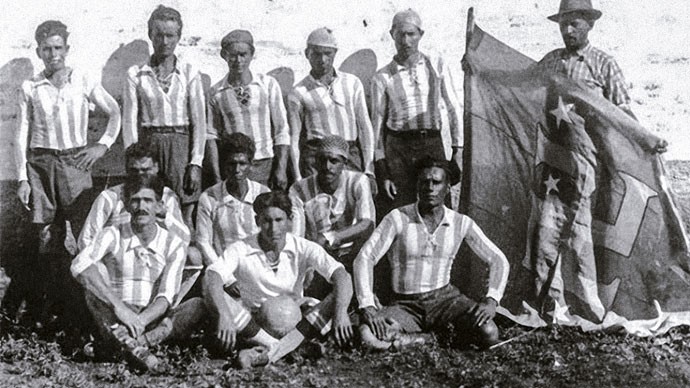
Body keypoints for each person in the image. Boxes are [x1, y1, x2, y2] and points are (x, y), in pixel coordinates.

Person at [9, 20, 121, 326]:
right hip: (41, 166)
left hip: (75, 164)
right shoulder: (30, 87)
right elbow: (20, 135)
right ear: (39, 51)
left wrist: (102, 146)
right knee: (47, 239)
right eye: (47, 48)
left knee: (85, 237)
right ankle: (48, 309)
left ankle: (88, 312)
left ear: (67, 49)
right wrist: (22, 178)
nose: (53, 54)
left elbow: (114, 112)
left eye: (58, 47)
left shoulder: (82, 79)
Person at [353, 157, 509, 349]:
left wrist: (491, 299)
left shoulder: (460, 222)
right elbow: (365, 257)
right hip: (405, 305)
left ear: (448, 187)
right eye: (424, 182)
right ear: (417, 186)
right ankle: (430, 338)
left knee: (489, 332)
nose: (430, 187)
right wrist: (367, 304)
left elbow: (498, 259)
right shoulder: (398, 218)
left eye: (436, 182)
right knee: (367, 335)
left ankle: (419, 339)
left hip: (446, 301)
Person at [202, 191, 353, 368]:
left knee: (338, 293)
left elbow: (341, 274)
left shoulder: (303, 246)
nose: (273, 229)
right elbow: (213, 275)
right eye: (267, 221)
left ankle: (269, 351)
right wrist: (225, 315)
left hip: (294, 320)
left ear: (290, 220)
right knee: (209, 290)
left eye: (279, 220)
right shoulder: (241, 248)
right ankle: (285, 348)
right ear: (258, 221)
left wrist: (341, 313)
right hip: (253, 324)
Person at [71, 175, 205, 370]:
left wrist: (140, 320)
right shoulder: (112, 233)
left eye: (148, 200)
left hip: (151, 320)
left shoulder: (173, 243)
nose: (141, 206)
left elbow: (166, 296)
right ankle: (137, 348)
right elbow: (78, 263)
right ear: (126, 205)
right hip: (115, 317)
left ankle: (133, 345)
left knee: (197, 305)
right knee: (92, 275)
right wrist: (120, 308)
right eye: (135, 200)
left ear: (159, 206)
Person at [122, 5, 206, 229]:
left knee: (185, 209)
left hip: (181, 144)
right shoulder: (136, 74)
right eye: (159, 35)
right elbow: (129, 121)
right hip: (149, 145)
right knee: (149, 205)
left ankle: (186, 261)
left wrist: (195, 163)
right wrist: (133, 160)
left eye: (171, 35)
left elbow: (199, 122)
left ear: (179, 37)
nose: (165, 41)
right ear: (151, 35)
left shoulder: (189, 73)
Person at [371, 9, 462, 213]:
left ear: (421, 35)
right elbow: (376, 129)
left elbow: (453, 107)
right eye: (400, 34)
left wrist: (458, 150)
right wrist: (383, 170)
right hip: (398, 147)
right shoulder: (382, 77)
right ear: (392, 35)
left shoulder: (436, 65)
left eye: (411, 34)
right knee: (402, 206)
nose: (405, 40)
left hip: (431, 143)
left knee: (437, 204)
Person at [289, 135, 375, 297]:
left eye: (334, 161)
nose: (327, 167)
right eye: (322, 160)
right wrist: (308, 266)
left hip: (353, 253)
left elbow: (367, 224)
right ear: (315, 162)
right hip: (319, 256)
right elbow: (297, 236)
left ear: (345, 163)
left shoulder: (358, 181)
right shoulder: (299, 189)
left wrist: (329, 237)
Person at [287, 27, 375, 184]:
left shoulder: (352, 83)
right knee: (318, 204)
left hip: (349, 154)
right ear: (307, 54)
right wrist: (297, 176)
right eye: (317, 54)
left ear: (335, 53)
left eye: (328, 54)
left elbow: (364, 126)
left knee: (351, 201)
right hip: (317, 157)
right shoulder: (299, 92)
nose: (322, 60)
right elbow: (294, 137)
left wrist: (369, 168)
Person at [206, 30, 290, 189]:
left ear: (252, 54)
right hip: (233, 167)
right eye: (232, 55)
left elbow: (281, 130)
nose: (238, 60)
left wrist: (281, 168)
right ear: (224, 55)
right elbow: (211, 135)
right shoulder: (216, 93)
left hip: (264, 164)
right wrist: (217, 176)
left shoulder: (267, 85)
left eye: (243, 54)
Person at [538, 0, 641, 121]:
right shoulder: (550, 60)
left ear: (590, 24)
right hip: (554, 136)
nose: (568, 30)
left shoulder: (604, 64)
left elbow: (624, 116)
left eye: (574, 24)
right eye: (563, 25)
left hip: (591, 138)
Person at [78, 142, 190, 251]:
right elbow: (86, 239)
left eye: (146, 170)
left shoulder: (167, 196)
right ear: (126, 169)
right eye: (134, 171)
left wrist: (165, 215)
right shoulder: (110, 197)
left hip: (155, 260)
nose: (140, 175)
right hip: (118, 261)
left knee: (193, 255)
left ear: (156, 168)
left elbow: (184, 239)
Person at [196, 133, 270, 266]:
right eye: (232, 164)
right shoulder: (209, 197)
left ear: (251, 164)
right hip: (224, 269)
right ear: (224, 165)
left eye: (242, 164)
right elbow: (203, 242)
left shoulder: (263, 193)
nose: (237, 170)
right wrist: (226, 277)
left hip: (259, 268)